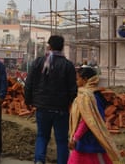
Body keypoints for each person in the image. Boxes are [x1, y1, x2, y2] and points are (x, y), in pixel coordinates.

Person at [24, 35, 77, 164]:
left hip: (42, 107)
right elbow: (73, 89)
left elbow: (28, 83)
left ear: (49, 46)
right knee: (61, 140)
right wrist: (70, 103)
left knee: (42, 136)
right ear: (62, 47)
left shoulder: (38, 62)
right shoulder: (68, 65)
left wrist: (28, 101)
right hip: (61, 109)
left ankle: (39, 160)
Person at [68, 66, 123, 164]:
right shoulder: (94, 95)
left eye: (77, 79)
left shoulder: (88, 97)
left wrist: (76, 137)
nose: (76, 82)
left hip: (88, 141)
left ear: (85, 79)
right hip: (90, 139)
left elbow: (87, 120)